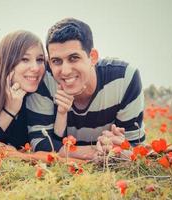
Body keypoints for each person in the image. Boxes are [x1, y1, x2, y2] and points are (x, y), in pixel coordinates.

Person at [26, 18, 145, 159]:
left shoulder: (125, 78)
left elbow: (135, 145)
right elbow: (40, 144)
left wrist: (119, 144)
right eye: (56, 61)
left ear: (93, 57)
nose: (65, 71)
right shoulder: (43, 80)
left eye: (73, 58)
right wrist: (96, 151)